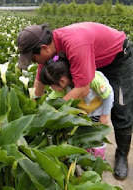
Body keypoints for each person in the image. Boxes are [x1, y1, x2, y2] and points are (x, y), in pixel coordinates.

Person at [17, 22, 133, 180]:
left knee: (121, 108)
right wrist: (34, 106)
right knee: (88, 106)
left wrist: (52, 112)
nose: (34, 62)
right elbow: (39, 82)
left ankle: (121, 156)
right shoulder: (49, 49)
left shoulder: (75, 45)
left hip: (118, 59)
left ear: (44, 48)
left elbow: (82, 89)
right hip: (94, 58)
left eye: (33, 59)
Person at [40, 54, 114, 160]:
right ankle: (87, 157)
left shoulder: (92, 78)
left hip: (98, 110)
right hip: (84, 111)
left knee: (97, 134)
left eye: (51, 85)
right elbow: (51, 100)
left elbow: (108, 96)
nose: (51, 88)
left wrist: (105, 115)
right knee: (84, 133)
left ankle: (99, 159)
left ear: (62, 81)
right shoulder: (65, 86)